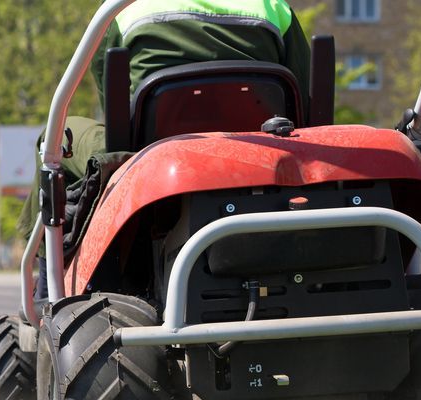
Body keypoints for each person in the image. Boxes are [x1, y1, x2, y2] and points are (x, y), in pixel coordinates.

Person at [18, 0, 312, 273]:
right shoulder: (272, 7)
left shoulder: (121, 9)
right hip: (257, 153)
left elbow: (113, 105)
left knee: (55, 137)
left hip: (148, 154)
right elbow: (302, 98)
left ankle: (47, 287)